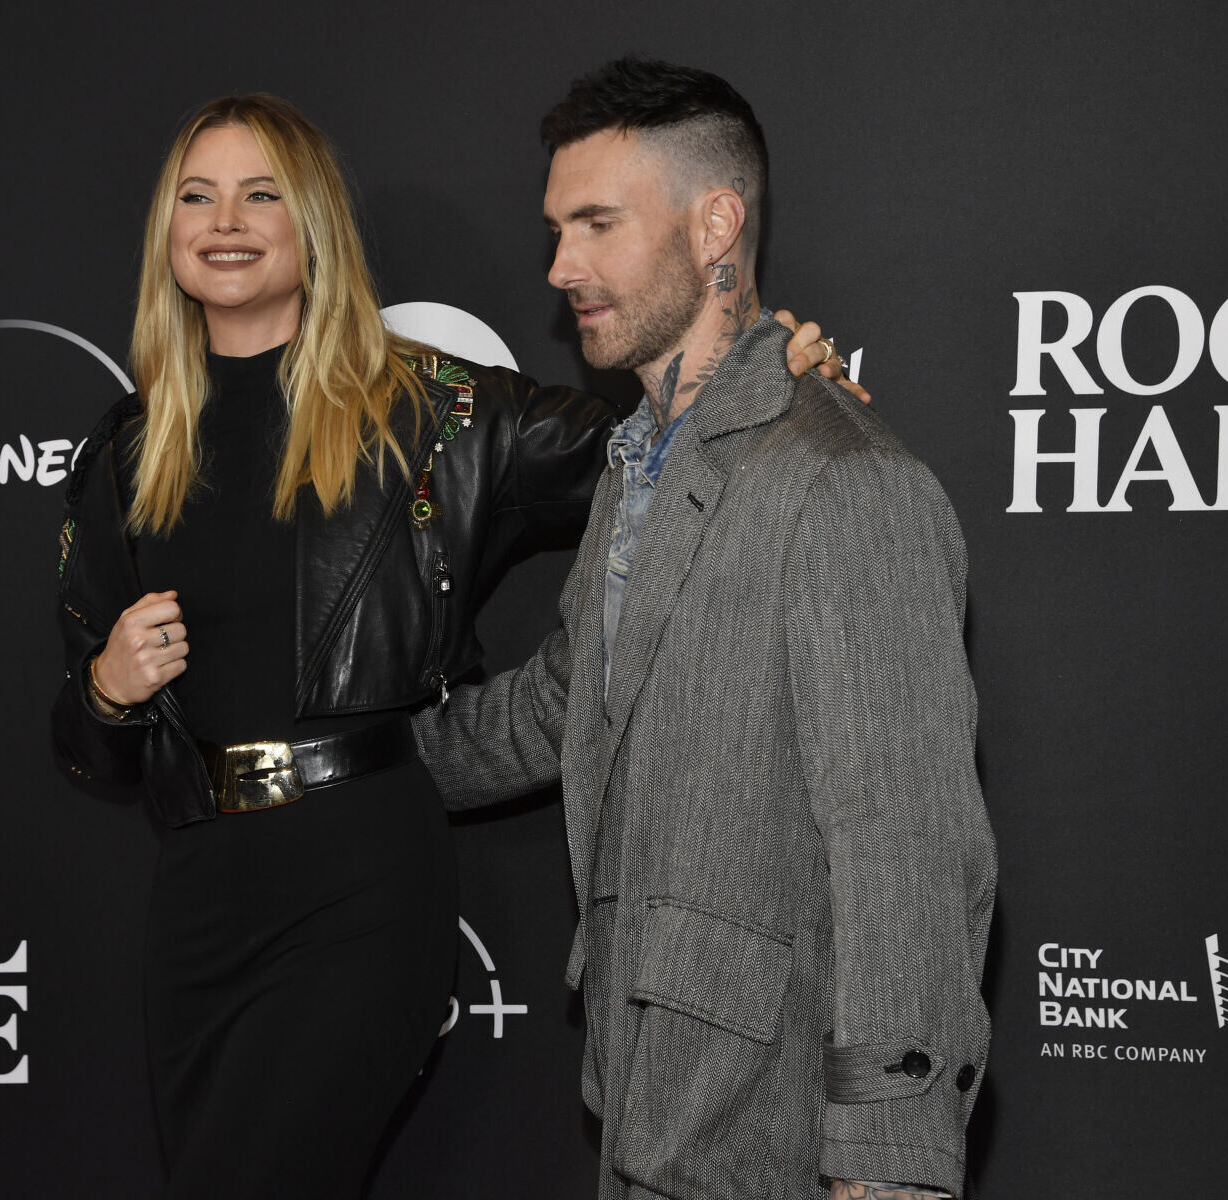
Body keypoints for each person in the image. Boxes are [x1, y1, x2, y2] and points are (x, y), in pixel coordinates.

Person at [49, 92, 856, 1198]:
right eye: (197, 197)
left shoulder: (433, 412)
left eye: (259, 194)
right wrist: (107, 688)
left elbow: (653, 448)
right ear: (167, 229)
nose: (224, 222)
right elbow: (87, 749)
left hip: (354, 886)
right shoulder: (128, 449)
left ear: (311, 224)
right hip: (197, 897)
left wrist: (766, 376)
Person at [413, 58, 995, 1200]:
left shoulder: (843, 482)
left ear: (714, 225)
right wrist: (353, 763)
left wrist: (885, 1161)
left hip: (776, 1126)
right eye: (556, 229)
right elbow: (565, 702)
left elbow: (906, 848)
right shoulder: (637, 465)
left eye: (596, 224)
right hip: (649, 1101)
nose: (560, 266)